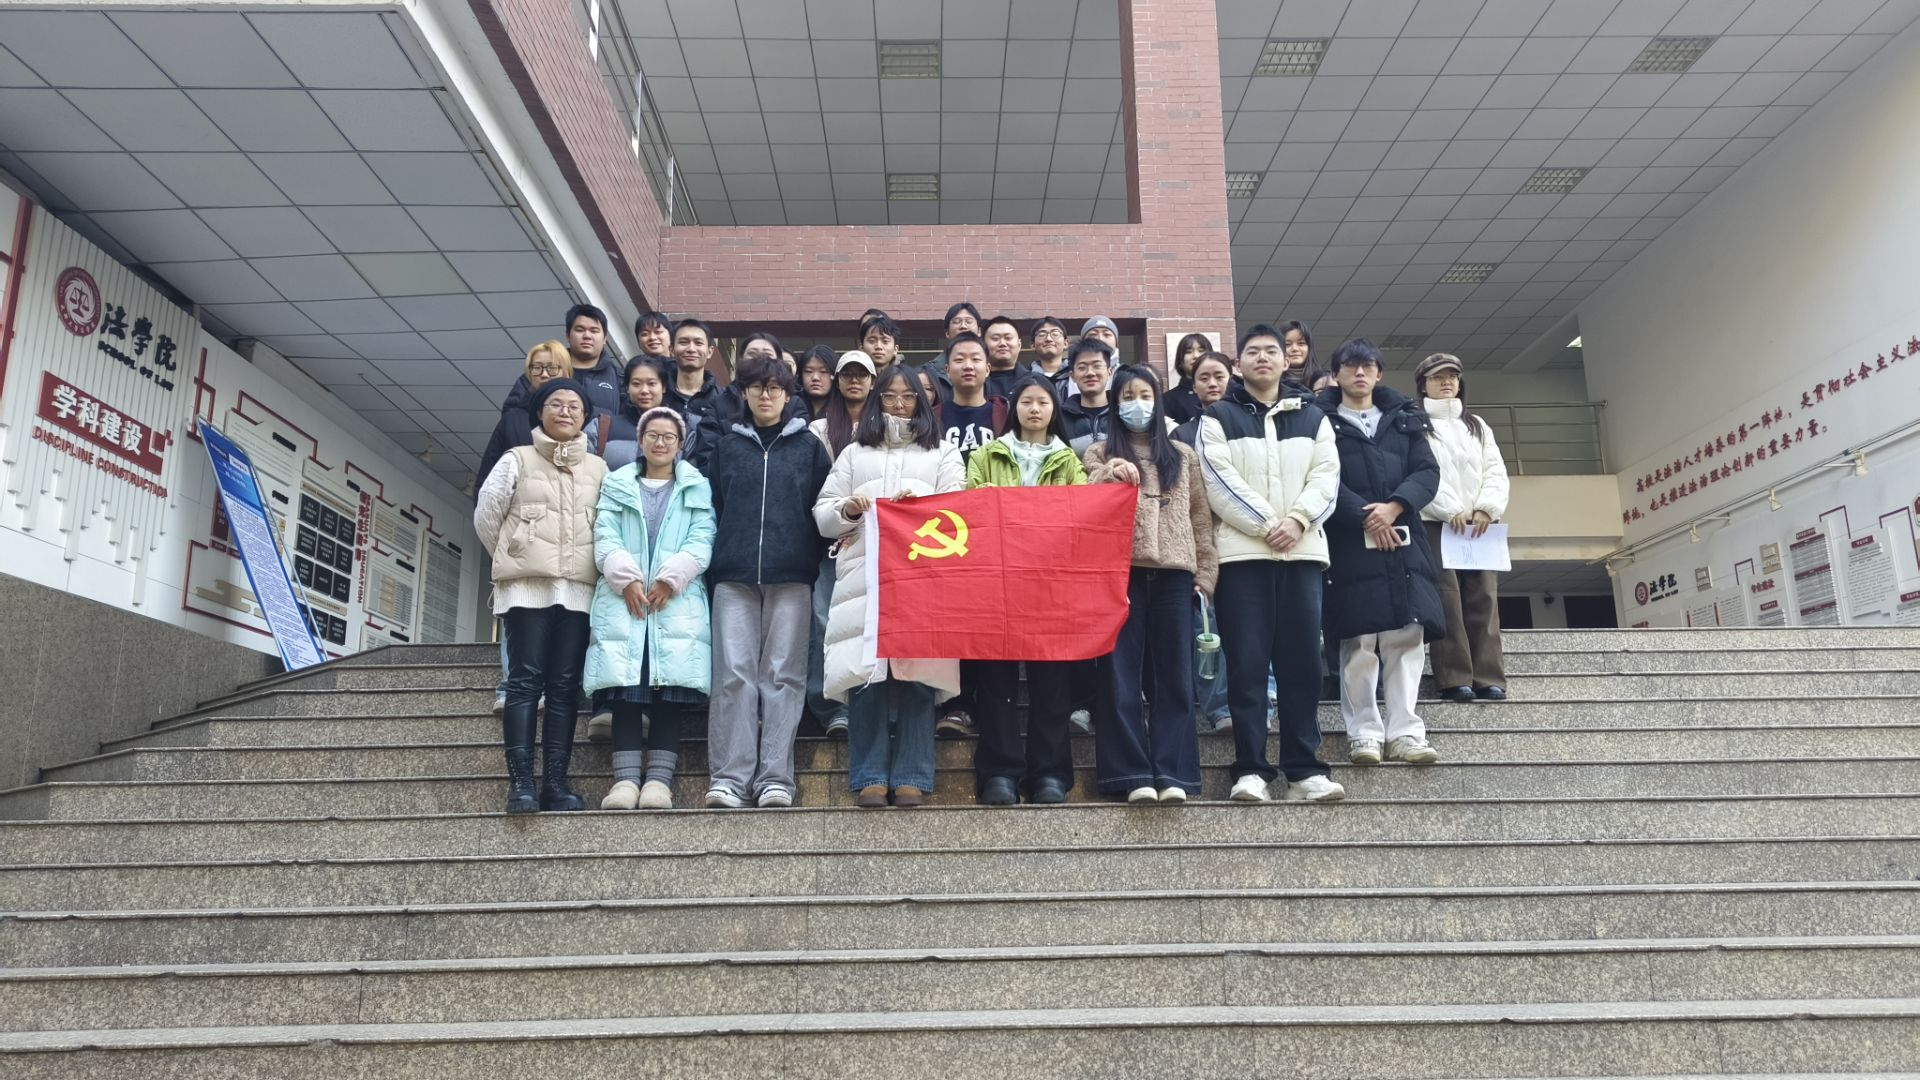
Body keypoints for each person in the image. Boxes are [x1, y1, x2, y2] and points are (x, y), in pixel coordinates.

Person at [1198, 323, 1344, 804]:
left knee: (1302, 666)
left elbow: (1327, 477)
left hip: (1302, 555)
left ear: (1286, 361)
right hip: (1243, 558)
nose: (1263, 358)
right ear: (1238, 365)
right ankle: (1250, 770)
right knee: (1247, 666)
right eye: (1253, 352)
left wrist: (1299, 521)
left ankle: (1305, 769)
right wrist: (1267, 525)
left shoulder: (1315, 417)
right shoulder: (1217, 416)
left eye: (1271, 351)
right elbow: (1217, 480)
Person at [814, 364, 965, 808]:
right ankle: (870, 777)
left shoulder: (942, 453)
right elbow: (823, 515)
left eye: (908, 396)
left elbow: (958, 509)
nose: (899, 404)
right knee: (866, 674)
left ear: (923, 401)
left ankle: (914, 775)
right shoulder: (853, 454)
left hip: (925, 574)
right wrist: (849, 509)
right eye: (890, 396)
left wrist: (920, 507)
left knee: (919, 675)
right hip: (863, 574)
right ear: (876, 399)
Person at [700, 356, 833, 808]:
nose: (765, 395)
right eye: (756, 387)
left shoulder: (809, 448)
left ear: (788, 395)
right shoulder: (726, 448)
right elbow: (715, 507)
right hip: (733, 575)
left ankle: (776, 777)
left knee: (783, 676)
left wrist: (804, 557)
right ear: (743, 393)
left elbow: (821, 511)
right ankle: (729, 778)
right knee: (733, 676)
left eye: (774, 388)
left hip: (792, 576)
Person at [472, 378, 609, 813]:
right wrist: (516, 555)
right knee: (524, 683)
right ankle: (520, 785)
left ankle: (554, 783)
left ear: (585, 417)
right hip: (525, 591)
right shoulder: (517, 459)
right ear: (540, 412)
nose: (565, 411)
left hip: (579, 593)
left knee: (565, 688)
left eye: (574, 406)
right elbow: (487, 516)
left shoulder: (599, 468)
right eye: (556, 404)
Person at [1086, 366, 1217, 803]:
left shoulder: (1182, 454)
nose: (1137, 404)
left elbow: (1200, 518)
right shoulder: (1099, 452)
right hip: (1120, 574)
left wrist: (1205, 574)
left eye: (1145, 395)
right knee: (1119, 676)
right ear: (1114, 404)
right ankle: (1130, 774)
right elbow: (1086, 497)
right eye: (1127, 396)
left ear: (1158, 401)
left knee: (1174, 676)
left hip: (1176, 575)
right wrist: (1111, 473)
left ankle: (1174, 773)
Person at [1316, 338, 1445, 767]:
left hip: (1404, 540)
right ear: (1336, 374)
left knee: (1406, 638)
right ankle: (1364, 734)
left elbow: (1427, 471)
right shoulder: (1321, 421)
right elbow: (1320, 479)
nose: (1360, 373)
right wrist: (1367, 517)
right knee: (1358, 642)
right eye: (1351, 366)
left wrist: (1394, 507)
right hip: (1349, 543)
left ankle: (1406, 732)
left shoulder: (1405, 418)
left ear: (1379, 373)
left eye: (1368, 366)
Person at [964, 377, 1087, 805]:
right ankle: (998, 772)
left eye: (1043, 402)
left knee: (1051, 681)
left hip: (1051, 583)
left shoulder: (1069, 460)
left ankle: (1049, 774)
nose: (1035, 409)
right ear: (1013, 407)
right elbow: (968, 505)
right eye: (1027, 402)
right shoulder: (985, 454)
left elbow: (1083, 511)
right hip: (995, 580)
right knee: (996, 680)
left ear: (1054, 410)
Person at [584, 406, 713, 810]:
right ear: (640, 441)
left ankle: (659, 782)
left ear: (680, 444)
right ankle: (624, 782)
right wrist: (625, 578)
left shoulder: (697, 487)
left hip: (676, 602)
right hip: (625, 600)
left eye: (668, 437)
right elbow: (604, 534)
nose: (660, 443)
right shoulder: (617, 483)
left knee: (667, 696)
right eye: (652, 435)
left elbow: (703, 537)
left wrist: (672, 577)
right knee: (626, 693)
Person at [480, 341, 599, 718]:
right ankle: (508, 691)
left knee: (562, 682)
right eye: (537, 368)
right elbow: (488, 507)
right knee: (522, 673)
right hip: (527, 564)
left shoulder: (595, 463)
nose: (544, 374)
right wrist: (512, 548)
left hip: (575, 572)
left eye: (553, 368)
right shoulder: (513, 425)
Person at [1415, 352, 1512, 703]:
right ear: (1423, 384)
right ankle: (1454, 677)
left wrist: (1487, 507)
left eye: (1453, 376)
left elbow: (1495, 470)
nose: (1447, 382)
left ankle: (1489, 677)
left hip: (1481, 526)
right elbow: (1418, 471)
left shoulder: (1478, 425)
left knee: (1484, 596)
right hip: (1437, 523)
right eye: (1438, 377)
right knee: (1448, 599)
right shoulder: (1415, 423)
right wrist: (1449, 508)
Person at [803, 349, 879, 739]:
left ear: (873, 381)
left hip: (877, 542)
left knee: (870, 623)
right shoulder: (817, 429)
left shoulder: (885, 427)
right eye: (847, 374)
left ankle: (873, 702)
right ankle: (832, 706)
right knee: (824, 621)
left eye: (861, 375)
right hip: (830, 541)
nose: (854, 381)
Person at [1172, 351, 1237, 734]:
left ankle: (1262, 697)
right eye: (1203, 378)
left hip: (1246, 539)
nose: (1212, 383)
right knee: (1205, 629)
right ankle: (1218, 706)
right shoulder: (1181, 436)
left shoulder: (1250, 424)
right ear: (1192, 386)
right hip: (1200, 541)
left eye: (1219, 376)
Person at [497, 305, 622, 422]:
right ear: (567, 335)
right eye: (580, 330)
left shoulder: (620, 379)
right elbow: (510, 416)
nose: (587, 336)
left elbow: (625, 425)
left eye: (594, 331)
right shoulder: (541, 372)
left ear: (605, 338)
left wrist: (583, 411)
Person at [937, 332, 1007, 461]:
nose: (968, 366)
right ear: (947, 370)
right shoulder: (932, 417)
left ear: (987, 369)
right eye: (959, 360)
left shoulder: (1005, 415)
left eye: (976, 359)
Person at [598, 357, 668, 472]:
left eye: (651, 383)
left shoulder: (682, 428)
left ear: (663, 387)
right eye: (636, 384)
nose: (644, 390)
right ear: (627, 388)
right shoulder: (602, 426)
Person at [664, 317, 721, 431]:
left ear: (709, 352)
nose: (691, 349)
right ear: (671, 350)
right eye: (683, 342)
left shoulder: (721, 399)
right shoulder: (659, 394)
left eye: (698, 343)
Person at [1060, 338, 1115, 453]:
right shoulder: (1060, 418)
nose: (1090, 373)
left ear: (1109, 372)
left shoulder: (1121, 413)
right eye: (1082, 367)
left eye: (1097, 366)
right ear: (1072, 375)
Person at [1164, 333, 1215, 424]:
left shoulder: (1224, 393)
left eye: (1201, 350)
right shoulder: (1168, 400)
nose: (1196, 356)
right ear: (1180, 361)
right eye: (1189, 352)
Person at [1279, 319, 1332, 392]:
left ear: (1309, 348)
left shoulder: (1324, 380)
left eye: (1301, 343)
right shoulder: (1271, 383)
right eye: (1287, 344)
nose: (1294, 349)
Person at [982, 315, 1026, 399]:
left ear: (1019, 345)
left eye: (1008, 338)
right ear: (983, 345)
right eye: (995, 338)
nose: (1002, 343)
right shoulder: (973, 383)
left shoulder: (1035, 382)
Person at [1028, 316, 1071, 387]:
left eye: (1055, 334)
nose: (1048, 339)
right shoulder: (1025, 379)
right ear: (1033, 345)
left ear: (1065, 343)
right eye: (1042, 335)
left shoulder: (1077, 374)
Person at [799, 344, 837, 420]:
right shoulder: (790, 405)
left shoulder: (844, 407)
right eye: (809, 371)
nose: (815, 377)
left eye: (823, 371)